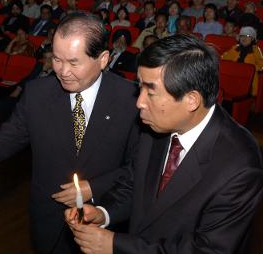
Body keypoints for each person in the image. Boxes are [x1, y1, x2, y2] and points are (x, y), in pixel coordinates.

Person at [0, 12, 140, 254]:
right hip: (48, 221)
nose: (63, 71)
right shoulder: (37, 93)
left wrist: (95, 188)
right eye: (57, 59)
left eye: (74, 63)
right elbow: (9, 135)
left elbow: (139, 167)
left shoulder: (132, 100)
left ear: (103, 59)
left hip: (105, 220)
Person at [65, 34, 263, 253]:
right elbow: (135, 183)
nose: (139, 102)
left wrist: (115, 245)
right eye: (139, 88)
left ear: (192, 100)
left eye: (150, 92)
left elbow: (209, 249)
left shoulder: (239, 166)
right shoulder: (154, 126)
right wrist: (104, 212)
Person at [222, 26, 263, 96]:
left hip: (248, 80)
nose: (244, 38)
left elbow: (261, 65)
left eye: (247, 36)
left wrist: (250, 68)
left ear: (252, 39)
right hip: (233, 77)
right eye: (242, 36)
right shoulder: (235, 47)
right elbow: (224, 59)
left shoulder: (256, 50)